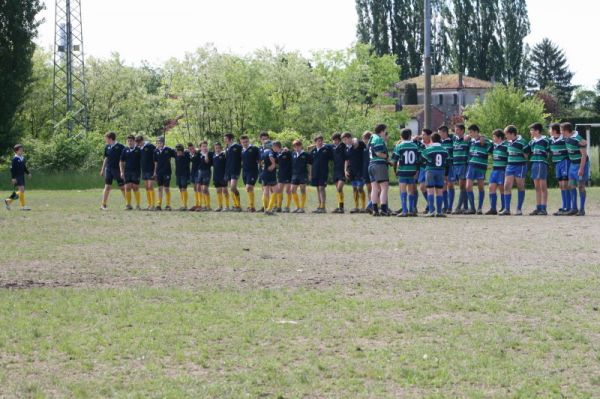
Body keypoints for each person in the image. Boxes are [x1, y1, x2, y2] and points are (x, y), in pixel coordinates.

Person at [501, 125, 529, 216]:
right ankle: (507, 209)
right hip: (510, 165)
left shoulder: (523, 142)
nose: (505, 136)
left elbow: (526, 156)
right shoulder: (507, 142)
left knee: (520, 186)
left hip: (520, 166)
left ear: (512, 133)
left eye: (506, 134)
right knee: (506, 186)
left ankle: (519, 209)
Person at [465, 125, 492, 215]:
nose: (469, 134)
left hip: (481, 166)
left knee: (480, 186)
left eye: (471, 132)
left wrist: (484, 138)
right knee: (468, 186)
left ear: (476, 132)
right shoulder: (471, 141)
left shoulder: (484, 140)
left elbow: (492, 145)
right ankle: (472, 208)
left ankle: (479, 208)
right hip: (471, 165)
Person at [562, 122, 589, 216]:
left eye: (562, 130)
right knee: (571, 185)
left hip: (581, 165)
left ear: (566, 131)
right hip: (572, 165)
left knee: (581, 186)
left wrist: (581, 169)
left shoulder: (579, 140)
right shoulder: (566, 138)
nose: (561, 132)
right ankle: (574, 208)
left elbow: (584, 155)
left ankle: (582, 209)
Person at [392, 128, 419, 217]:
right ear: (410, 136)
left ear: (401, 136)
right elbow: (418, 160)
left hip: (403, 171)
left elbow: (395, 160)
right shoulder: (415, 146)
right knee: (411, 191)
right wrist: (416, 170)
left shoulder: (399, 146)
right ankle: (411, 210)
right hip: (412, 171)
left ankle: (404, 211)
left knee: (403, 191)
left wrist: (395, 171)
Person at [422, 133, 449, 217]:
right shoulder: (445, 150)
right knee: (439, 191)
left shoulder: (428, 149)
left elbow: (422, 159)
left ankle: (431, 211)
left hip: (430, 170)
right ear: (440, 139)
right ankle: (439, 211)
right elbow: (447, 162)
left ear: (432, 140)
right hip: (441, 171)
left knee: (430, 191)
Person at [528, 123, 551, 215]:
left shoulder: (546, 140)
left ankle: (544, 208)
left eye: (532, 130)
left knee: (543, 187)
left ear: (537, 131)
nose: (530, 132)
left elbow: (550, 151)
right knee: (537, 187)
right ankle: (538, 208)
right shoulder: (531, 142)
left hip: (542, 164)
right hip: (534, 164)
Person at [368, 124, 391, 216]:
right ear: (382, 131)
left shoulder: (372, 138)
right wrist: (387, 157)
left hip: (371, 164)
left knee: (375, 188)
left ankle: (375, 210)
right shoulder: (378, 139)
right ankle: (384, 209)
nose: (386, 133)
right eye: (385, 131)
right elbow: (378, 153)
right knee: (384, 188)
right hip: (379, 165)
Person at [100, 132, 125, 210]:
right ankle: (103, 204)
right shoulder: (107, 147)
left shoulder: (121, 147)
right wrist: (102, 169)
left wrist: (123, 171)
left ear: (110, 138)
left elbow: (124, 159)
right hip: (109, 169)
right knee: (107, 187)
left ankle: (128, 203)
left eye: (106, 138)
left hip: (118, 170)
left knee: (122, 187)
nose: (105, 140)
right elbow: (106, 158)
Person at [549, 123, 571, 215]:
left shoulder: (564, 139)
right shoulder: (550, 140)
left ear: (554, 131)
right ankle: (564, 206)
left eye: (550, 129)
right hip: (557, 164)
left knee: (565, 184)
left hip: (564, 162)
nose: (549, 131)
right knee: (561, 185)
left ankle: (568, 207)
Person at [486, 129, 508, 215]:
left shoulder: (506, 146)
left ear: (499, 138)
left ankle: (504, 207)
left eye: (494, 136)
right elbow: (488, 150)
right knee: (491, 187)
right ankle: (493, 208)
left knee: (502, 189)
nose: (493, 138)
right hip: (494, 170)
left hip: (502, 170)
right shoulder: (493, 145)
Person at [4, 144, 31, 211]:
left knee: (21, 191)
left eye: (22, 150)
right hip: (17, 176)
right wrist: (13, 178)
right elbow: (12, 169)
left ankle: (8, 200)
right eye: (20, 150)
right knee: (21, 189)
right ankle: (23, 206)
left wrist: (28, 173)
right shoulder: (15, 159)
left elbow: (24, 167)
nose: (22, 151)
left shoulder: (22, 158)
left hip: (22, 176)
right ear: (16, 151)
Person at [310, 135, 333, 213]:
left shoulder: (326, 150)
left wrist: (326, 145)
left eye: (321, 141)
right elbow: (311, 163)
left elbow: (332, 148)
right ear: (315, 142)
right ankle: (319, 206)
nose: (320, 142)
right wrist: (310, 174)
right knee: (317, 189)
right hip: (315, 172)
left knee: (321, 188)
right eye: (318, 141)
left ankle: (323, 206)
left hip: (323, 172)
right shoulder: (313, 151)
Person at [153, 136, 176, 211]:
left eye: (160, 142)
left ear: (163, 143)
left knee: (166, 188)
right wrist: (155, 172)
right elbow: (155, 162)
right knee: (159, 188)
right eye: (158, 142)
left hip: (167, 171)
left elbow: (176, 154)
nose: (159, 144)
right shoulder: (155, 151)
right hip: (159, 172)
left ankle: (168, 205)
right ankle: (159, 204)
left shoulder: (168, 150)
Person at [345, 134, 366, 213]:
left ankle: (363, 207)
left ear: (350, 138)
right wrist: (345, 170)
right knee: (354, 189)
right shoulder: (346, 148)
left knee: (360, 188)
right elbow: (346, 160)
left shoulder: (359, 144)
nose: (345, 141)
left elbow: (357, 142)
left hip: (360, 170)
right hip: (352, 171)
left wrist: (355, 140)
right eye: (344, 140)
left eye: (346, 139)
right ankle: (356, 207)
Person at [119, 135, 142, 210]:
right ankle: (128, 205)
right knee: (127, 187)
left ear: (134, 141)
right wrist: (121, 172)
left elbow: (142, 160)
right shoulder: (125, 150)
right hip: (127, 172)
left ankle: (138, 205)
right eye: (128, 141)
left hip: (136, 171)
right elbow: (121, 162)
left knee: (135, 187)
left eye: (131, 141)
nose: (129, 142)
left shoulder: (138, 150)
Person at [452, 124, 470, 214]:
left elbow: (479, 137)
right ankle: (465, 207)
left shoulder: (467, 139)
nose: (456, 131)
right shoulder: (454, 139)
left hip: (463, 165)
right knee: (461, 187)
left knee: (462, 186)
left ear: (463, 131)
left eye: (458, 130)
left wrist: (469, 136)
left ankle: (458, 207)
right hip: (455, 165)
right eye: (455, 129)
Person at [240, 135, 260, 212]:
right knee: (249, 189)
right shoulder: (241, 150)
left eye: (246, 142)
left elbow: (259, 159)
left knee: (248, 187)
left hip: (253, 171)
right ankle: (252, 207)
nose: (244, 143)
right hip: (244, 172)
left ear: (248, 141)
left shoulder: (254, 149)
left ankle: (251, 206)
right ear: (241, 142)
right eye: (243, 142)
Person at [136, 135, 156, 211]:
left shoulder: (150, 146)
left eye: (139, 142)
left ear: (142, 140)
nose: (138, 144)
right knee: (146, 187)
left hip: (151, 169)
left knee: (150, 186)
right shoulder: (139, 148)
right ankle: (149, 204)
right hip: (144, 170)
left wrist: (155, 171)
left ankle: (153, 205)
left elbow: (156, 156)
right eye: (137, 143)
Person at [438, 125, 455, 214]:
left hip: (450, 166)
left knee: (450, 185)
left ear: (444, 132)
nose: (439, 134)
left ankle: (450, 207)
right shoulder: (438, 142)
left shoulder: (452, 140)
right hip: (442, 167)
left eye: (440, 132)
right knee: (443, 186)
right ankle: (445, 205)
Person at [224, 133, 243, 212]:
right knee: (231, 189)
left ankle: (238, 205)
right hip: (228, 170)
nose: (224, 140)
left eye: (226, 139)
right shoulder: (227, 148)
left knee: (233, 187)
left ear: (231, 139)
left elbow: (244, 151)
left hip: (235, 170)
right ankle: (236, 206)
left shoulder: (238, 146)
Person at [291, 139, 311, 213]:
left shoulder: (306, 154)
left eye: (298, 145)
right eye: (295, 146)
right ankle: (297, 207)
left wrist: (310, 174)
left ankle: (302, 208)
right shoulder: (292, 154)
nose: (297, 147)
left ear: (301, 146)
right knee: (292, 190)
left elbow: (309, 165)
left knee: (303, 190)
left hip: (303, 174)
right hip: (295, 175)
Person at [415, 129, 432, 213]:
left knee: (430, 188)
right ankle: (430, 204)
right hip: (422, 168)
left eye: (424, 134)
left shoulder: (433, 144)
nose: (422, 136)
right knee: (422, 187)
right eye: (422, 134)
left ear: (429, 135)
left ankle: (430, 206)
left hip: (431, 168)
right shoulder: (419, 143)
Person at [261, 141, 279, 215]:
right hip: (270, 173)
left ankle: (265, 208)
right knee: (275, 190)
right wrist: (273, 164)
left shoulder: (263, 152)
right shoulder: (270, 151)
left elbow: (260, 162)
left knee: (266, 191)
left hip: (264, 173)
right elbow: (271, 156)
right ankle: (269, 208)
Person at [331, 132, 348, 213]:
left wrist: (346, 170)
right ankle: (340, 207)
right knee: (338, 190)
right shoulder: (332, 147)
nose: (335, 141)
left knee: (339, 188)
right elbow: (325, 145)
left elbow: (346, 159)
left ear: (339, 140)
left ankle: (341, 207)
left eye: (337, 140)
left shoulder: (343, 146)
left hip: (342, 171)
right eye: (334, 140)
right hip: (335, 170)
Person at [274, 141, 292, 213]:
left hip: (288, 174)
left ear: (277, 146)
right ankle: (279, 207)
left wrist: (289, 150)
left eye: (274, 146)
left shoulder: (286, 152)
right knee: (279, 190)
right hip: (280, 174)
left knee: (288, 190)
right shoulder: (276, 154)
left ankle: (287, 207)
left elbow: (292, 158)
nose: (273, 148)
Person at [212, 142, 229, 212]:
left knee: (224, 190)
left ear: (221, 148)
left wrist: (226, 175)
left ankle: (227, 206)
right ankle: (220, 206)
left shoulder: (224, 155)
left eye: (218, 148)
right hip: (216, 176)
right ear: (214, 149)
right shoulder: (213, 156)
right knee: (218, 191)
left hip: (223, 176)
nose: (217, 149)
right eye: (216, 148)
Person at [174, 144, 191, 211]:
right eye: (177, 150)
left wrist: (187, 150)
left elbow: (194, 150)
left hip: (185, 174)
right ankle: (183, 204)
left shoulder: (186, 154)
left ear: (182, 150)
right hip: (178, 174)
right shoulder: (175, 154)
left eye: (179, 151)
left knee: (184, 189)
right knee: (181, 189)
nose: (178, 152)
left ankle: (185, 205)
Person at [197, 141, 213, 211]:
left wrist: (206, 154)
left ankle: (208, 206)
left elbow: (207, 161)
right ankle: (202, 205)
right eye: (203, 146)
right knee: (199, 188)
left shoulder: (210, 154)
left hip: (207, 172)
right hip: (200, 172)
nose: (205, 147)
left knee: (204, 189)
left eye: (206, 146)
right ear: (200, 147)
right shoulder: (198, 153)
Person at [361, 131, 373, 212]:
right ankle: (370, 205)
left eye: (365, 138)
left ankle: (373, 204)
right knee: (369, 189)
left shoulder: (372, 146)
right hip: (365, 170)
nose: (363, 140)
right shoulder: (362, 147)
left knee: (374, 189)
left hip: (372, 169)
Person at [189, 143, 202, 211]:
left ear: (194, 147)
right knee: (195, 188)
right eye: (190, 149)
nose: (191, 150)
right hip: (193, 173)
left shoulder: (198, 153)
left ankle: (200, 205)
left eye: (192, 148)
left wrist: (197, 149)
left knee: (198, 188)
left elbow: (201, 150)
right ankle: (197, 204)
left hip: (198, 172)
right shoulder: (190, 154)